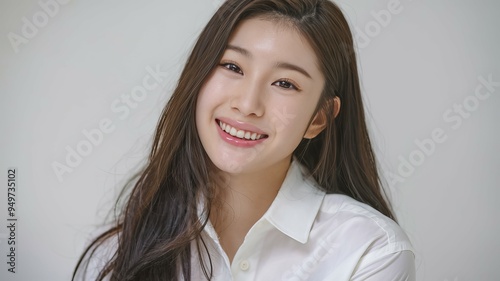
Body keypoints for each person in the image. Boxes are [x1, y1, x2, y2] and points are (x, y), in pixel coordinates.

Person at [73, 0, 416, 280]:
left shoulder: (370, 251)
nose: (248, 104)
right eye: (233, 67)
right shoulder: (122, 248)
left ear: (318, 117)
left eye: (285, 83)